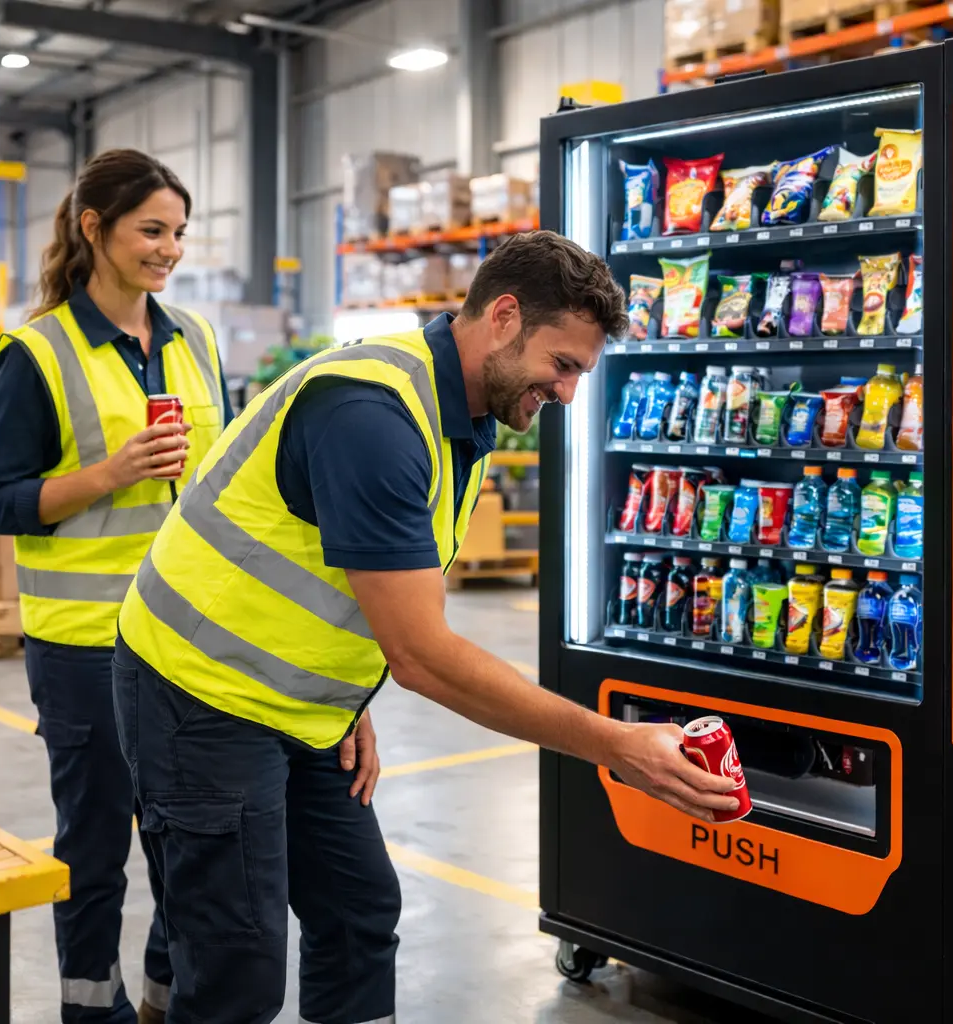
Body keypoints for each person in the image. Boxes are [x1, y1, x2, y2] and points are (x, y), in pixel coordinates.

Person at [112, 230, 740, 1024]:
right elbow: (424, 655)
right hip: (197, 693)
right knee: (237, 960)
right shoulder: (372, 415)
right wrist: (616, 748)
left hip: (299, 706)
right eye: (565, 366)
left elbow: (359, 586)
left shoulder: (465, 415)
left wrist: (348, 695)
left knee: (357, 912)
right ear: (505, 317)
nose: (570, 394)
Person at [0, 148, 234, 1024]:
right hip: (84, 651)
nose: (169, 249)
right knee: (94, 852)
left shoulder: (195, 338)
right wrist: (108, 472)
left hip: (190, 642)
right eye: (151, 231)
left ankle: (167, 996)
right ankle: (92, 1008)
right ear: (95, 228)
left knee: (188, 841)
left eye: (178, 234)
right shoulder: (35, 354)